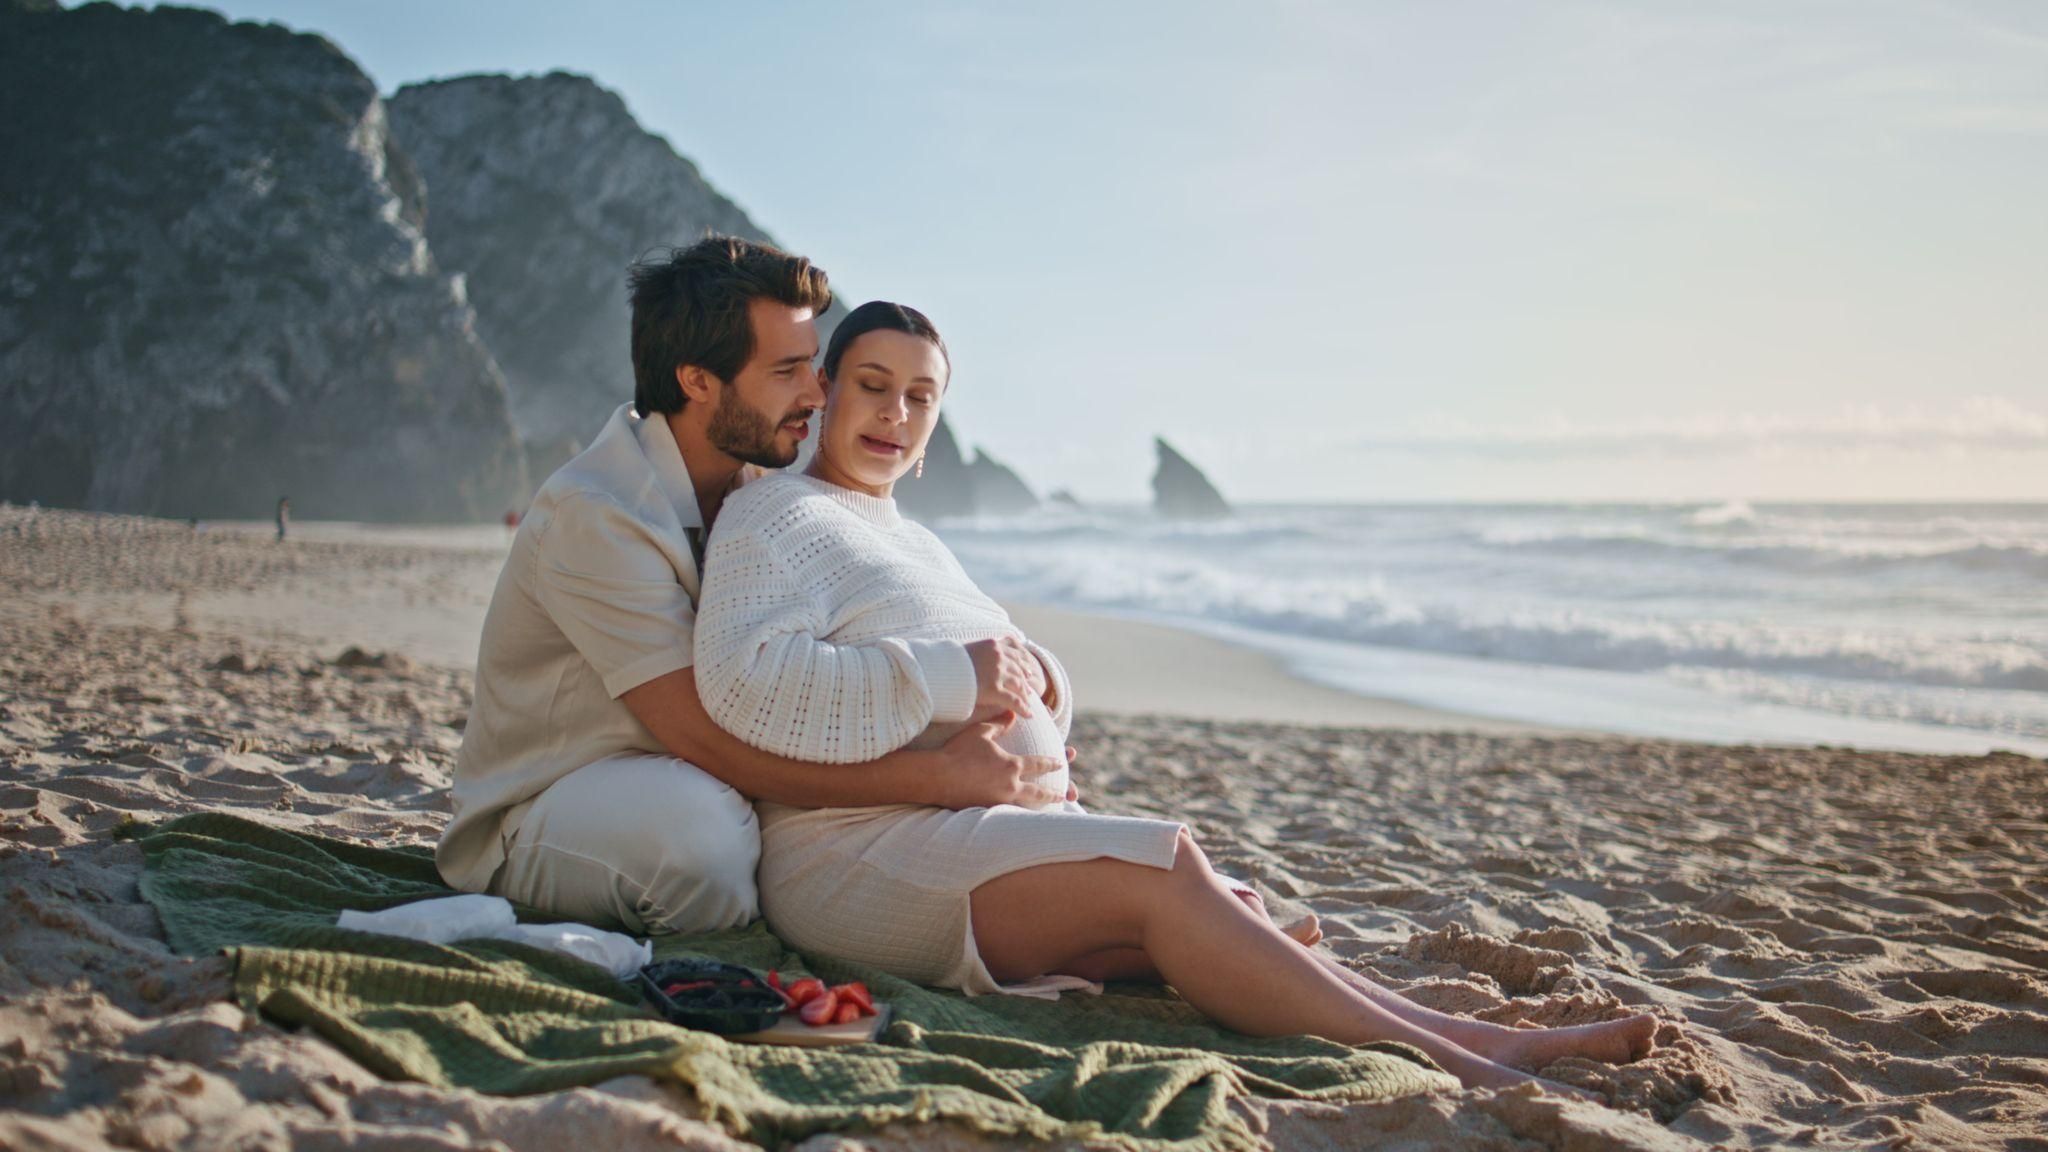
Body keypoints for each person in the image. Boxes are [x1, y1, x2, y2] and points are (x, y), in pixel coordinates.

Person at [693, 301, 1659, 1094]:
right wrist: (963, 681)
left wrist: (1045, 690)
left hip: (969, 830)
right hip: (853, 851)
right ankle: (1466, 1058)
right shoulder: (772, 515)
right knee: (1169, 864)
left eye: (919, 396)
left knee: (1216, 902)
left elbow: (1002, 659)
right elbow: (750, 686)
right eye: (872, 386)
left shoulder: (912, 535)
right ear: (824, 394)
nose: (894, 414)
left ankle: (1456, 1029)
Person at [436, 237, 1069, 934]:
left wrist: (1018, 721)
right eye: (788, 370)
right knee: (703, 845)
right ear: (698, 381)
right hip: (555, 800)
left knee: (757, 828)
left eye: (814, 366)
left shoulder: (760, 490)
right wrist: (939, 780)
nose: (816, 391)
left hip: (709, 777)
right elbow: (707, 739)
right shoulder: (598, 514)